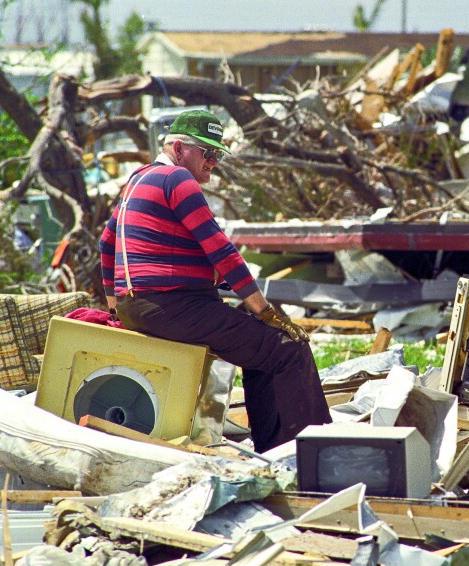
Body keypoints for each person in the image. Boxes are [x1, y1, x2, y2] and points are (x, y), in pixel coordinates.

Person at [99, 109, 331, 453]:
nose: (213, 162)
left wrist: (117, 305)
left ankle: (273, 447)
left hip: (144, 306)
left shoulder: (138, 179)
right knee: (288, 348)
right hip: (177, 306)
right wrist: (263, 309)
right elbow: (220, 248)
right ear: (178, 148)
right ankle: (310, 452)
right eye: (207, 153)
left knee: (259, 350)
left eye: (217, 154)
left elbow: (106, 242)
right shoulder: (178, 180)